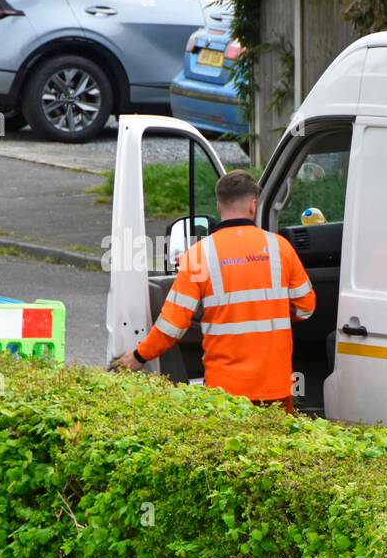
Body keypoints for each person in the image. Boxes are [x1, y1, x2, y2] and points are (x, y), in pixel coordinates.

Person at [111, 171, 315, 413]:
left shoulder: (198, 255)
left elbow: (172, 325)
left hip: (225, 392)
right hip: (276, 387)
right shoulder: (280, 247)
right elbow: (306, 308)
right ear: (253, 205)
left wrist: (138, 356)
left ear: (219, 205)